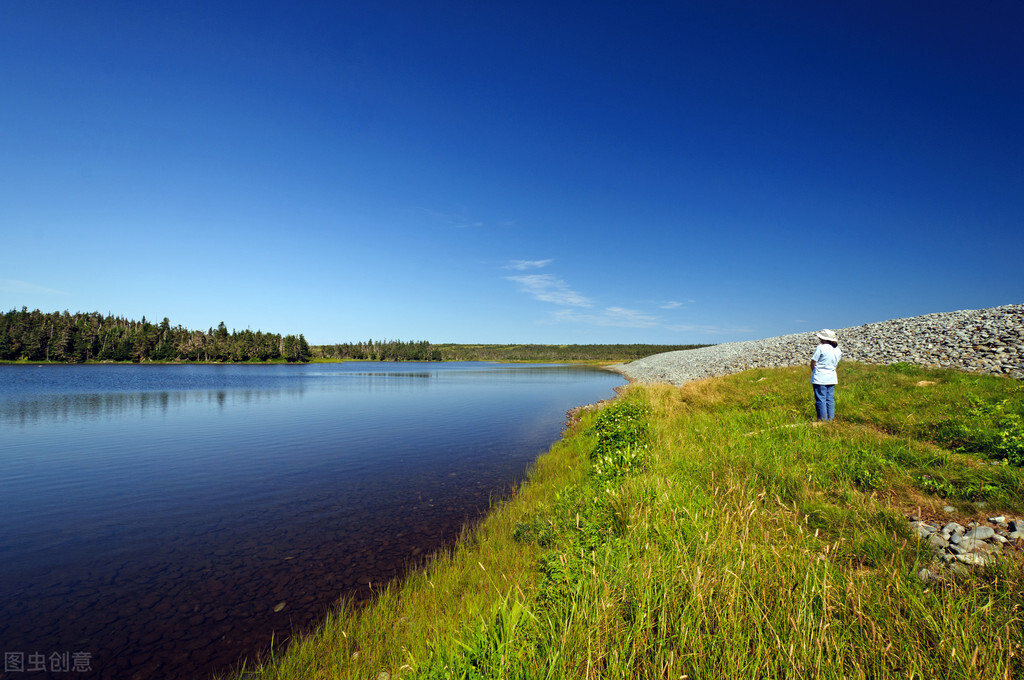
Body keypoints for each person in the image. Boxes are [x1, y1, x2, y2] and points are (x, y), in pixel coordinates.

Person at [810, 329, 842, 421]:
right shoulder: (837, 349)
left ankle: (822, 420)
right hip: (831, 377)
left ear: (823, 338)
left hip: (820, 377)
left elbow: (813, 361)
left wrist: (814, 371)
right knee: (830, 399)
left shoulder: (821, 347)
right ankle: (830, 419)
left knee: (820, 399)